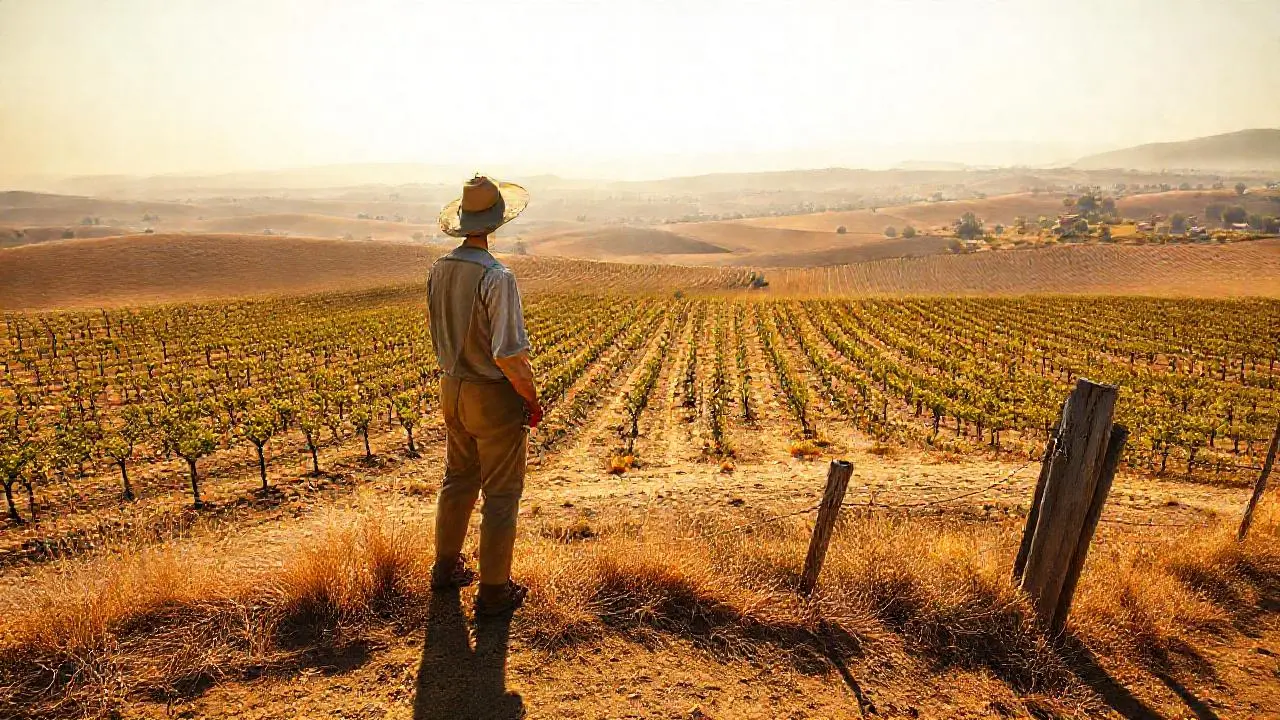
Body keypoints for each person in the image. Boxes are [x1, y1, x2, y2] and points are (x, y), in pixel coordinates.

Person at [427, 175, 542, 617]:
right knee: (500, 495)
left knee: (457, 478)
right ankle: (494, 592)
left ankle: (446, 569)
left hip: (451, 388)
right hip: (491, 394)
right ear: (495, 223)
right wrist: (530, 398)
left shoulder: (440, 268)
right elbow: (510, 353)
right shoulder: (497, 276)